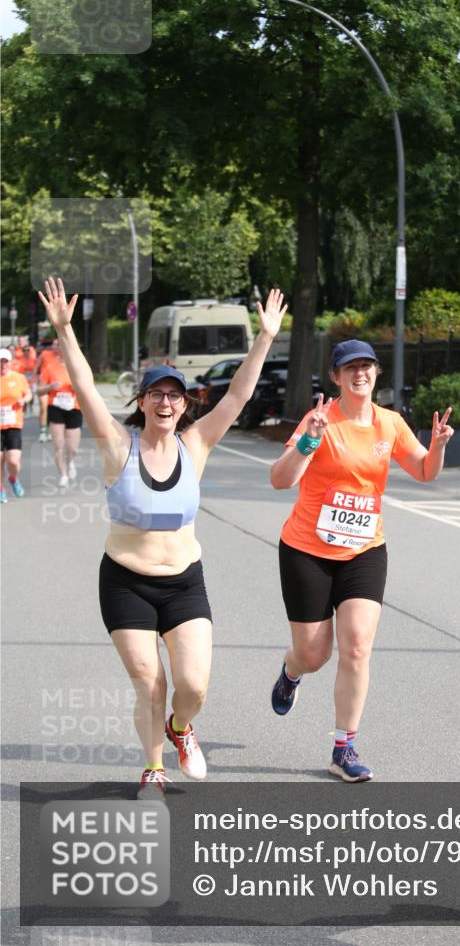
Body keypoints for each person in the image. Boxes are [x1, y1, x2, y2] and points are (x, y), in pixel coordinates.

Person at [38, 276, 287, 796]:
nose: (167, 403)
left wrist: (264, 337)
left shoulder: (196, 444)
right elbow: (83, 386)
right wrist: (64, 332)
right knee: (151, 682)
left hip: (184, 584)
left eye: (175, 395)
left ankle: (181, 728)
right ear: (144, 401)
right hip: (125, 583)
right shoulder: (116, 446)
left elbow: (239, 395)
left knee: (192, 687)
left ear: (185, 404)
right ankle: (153, 768)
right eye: (157, 394)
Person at [270, 339, 454, 781]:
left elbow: (426, 471)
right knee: (314, 654)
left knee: (357, 646)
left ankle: (344, 748)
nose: (360, 374)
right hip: (307, 550)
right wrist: (309, 440)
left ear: (376, 373)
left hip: (364, 549)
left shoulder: (390, 424)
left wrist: (439, 444)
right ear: (335, 377)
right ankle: (292, 670)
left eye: (367, 366)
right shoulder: (320, 420)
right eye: (350, 367)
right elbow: (280, 479)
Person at [37, 336, 83, 487]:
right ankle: (63, 474)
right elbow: (39, 390)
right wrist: (50, 387)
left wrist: (77, 387)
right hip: (56, 407)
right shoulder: (50, 366)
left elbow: (87, 387)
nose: (60, 349)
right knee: (58, 444)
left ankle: (70, 462)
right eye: (58, 346)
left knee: (73, 447)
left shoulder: (77, 365)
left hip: (73, 407)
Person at [0, 348, 32, 503]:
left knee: (13, 460)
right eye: (0, 361)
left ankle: (13, 478)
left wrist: (24, 400)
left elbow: (28, 394)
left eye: (5, 361)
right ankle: (1, 489)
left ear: (10, 362)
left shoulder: (19, 378)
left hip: (13, 423)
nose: (3, 364)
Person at [34, 339, 57, 441]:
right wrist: (34, 381)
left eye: (59, 345)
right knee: (44, 407)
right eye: (55, 344)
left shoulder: (63, 357)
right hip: (44, 384)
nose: (57, 347)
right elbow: (36, 368)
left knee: (53, 408)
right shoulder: (45, 354)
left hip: (56, 386)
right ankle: (43, 431)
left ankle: (51, 430)